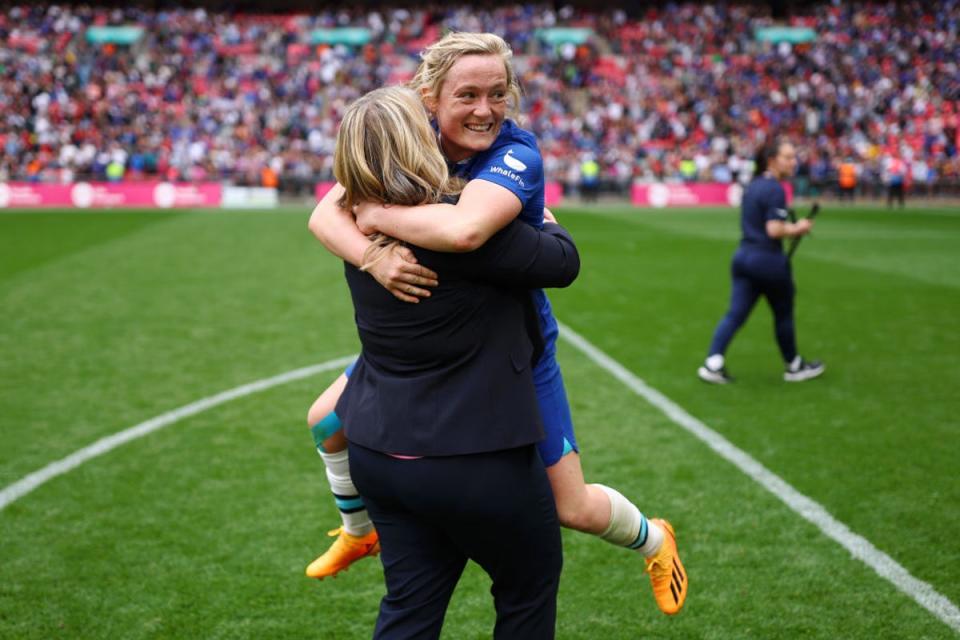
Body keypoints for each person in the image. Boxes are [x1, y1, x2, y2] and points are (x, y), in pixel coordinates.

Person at [307, 32, 687, 617]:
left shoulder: (516, 152)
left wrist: (377, 214)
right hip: (436, 348)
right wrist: (372, 255)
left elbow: (464, 232)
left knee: (572, 507)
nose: (484, 109)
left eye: (498, 93)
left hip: (515, 351)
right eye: (467, 95)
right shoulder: (411, 136)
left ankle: (656, 541)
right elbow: (323, 211)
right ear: (428, 97)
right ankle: (359, 531)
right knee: (324, 422)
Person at [331, 84, 577, 639]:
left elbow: (330, 211)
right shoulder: (461, 228)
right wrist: (546, 217)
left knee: (410, 608)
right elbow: (562, 261)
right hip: (475, 457)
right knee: (527, 589)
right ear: (419, 137)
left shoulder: (359, 226)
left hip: (378, 452)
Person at [697, 139, 825, 384]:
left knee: (735, 314)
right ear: (772, 160)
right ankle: (794, 366)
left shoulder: (753, 185)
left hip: (743, 257)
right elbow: (774, 229)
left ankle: (713, 362)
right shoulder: (775, 189)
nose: (793, 161)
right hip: (767, 260)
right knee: (783, 313)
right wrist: (797, 228)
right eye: (788, 157)